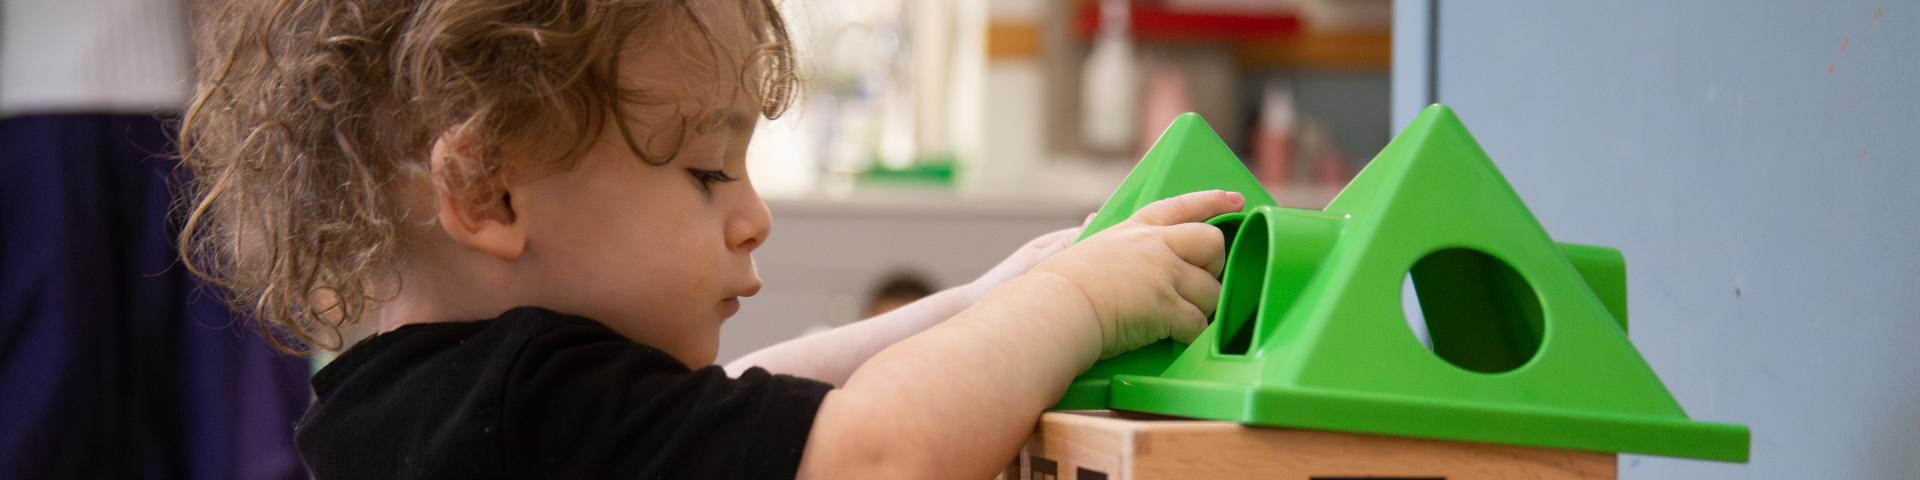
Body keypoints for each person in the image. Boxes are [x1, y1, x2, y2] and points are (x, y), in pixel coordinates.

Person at [177, 0, 1239, 477]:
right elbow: (873, 455)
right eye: (702, 172)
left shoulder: (411, 400)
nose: (752, 214)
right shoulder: (524, 406)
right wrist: (1078, 305)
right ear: (492, 192)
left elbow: (735, 414)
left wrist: (978, 305)